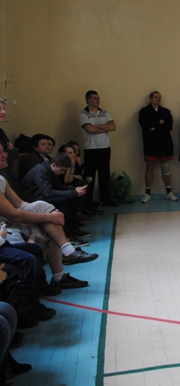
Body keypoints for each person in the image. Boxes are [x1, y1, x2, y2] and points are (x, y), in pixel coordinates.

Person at [0, 144, 96, 290]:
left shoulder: (2, 179)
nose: (5, 155)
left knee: (45, 209)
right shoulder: (41, 170)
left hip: (12, 219)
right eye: (0, 152)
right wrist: (48, 217)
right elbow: (13, 215)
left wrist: (49, 212)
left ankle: (67, 255)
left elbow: (20, 204)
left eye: (4, 151)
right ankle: (64, 263)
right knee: (50, 220)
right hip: (5, 227)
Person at [79, 90, 118, 207]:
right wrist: (105, 128)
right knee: (90, 175)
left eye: (98, 98)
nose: (98, 100)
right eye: (95, 98)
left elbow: (113, 127)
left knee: (104, 174)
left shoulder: (105, 113)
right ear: (88, 100)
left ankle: (105, 199)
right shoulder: (83, 114)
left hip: (105, 148)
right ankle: (88, 199)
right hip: (91, 149)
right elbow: (89, 129)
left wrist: (99, 126)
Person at [138, 91, 177, 203]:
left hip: (164, 143)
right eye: (155, 97)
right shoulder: (144, 111)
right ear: (151, 99)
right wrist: (159, 122)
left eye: (159, 97)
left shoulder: (166, 111)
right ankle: (147, 194)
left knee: (165, 168)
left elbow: (169, 126)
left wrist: (154, 126)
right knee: (149, 168)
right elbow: (144, 124)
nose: (158, 99)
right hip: (151, 143)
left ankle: (169, 192)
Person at [0, 99, 20, 194]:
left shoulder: (1, 131)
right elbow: (10, 153)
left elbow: (16, 153)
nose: (3, 112)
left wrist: (11, 151)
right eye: (0, 109)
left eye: (4, 109)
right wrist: (10, 151)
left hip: (8, 171)